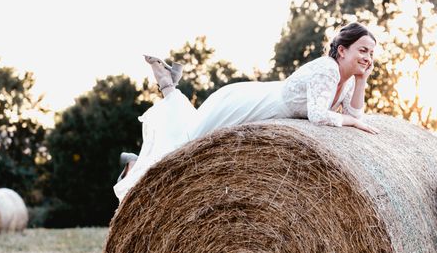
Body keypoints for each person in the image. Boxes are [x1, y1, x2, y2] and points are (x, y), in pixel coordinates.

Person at [114, 22, 379, 201]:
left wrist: (362, 81)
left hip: (265, 112)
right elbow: (320, 116)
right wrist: (348, 121)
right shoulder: (328, 69)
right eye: (362, 50)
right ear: (342, 50)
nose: (368, 57)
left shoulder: (347, 81)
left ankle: (169, 86)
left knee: (193, 140)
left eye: (371, 53)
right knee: (187, 145)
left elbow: (355, 115)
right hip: (252, 104)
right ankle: (136, 163)